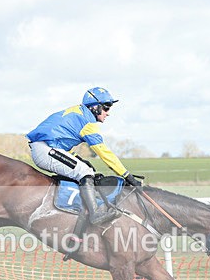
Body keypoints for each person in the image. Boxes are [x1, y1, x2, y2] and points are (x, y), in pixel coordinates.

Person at [26, 87, 142, 225]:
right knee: (85, 172)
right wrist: (126, 175)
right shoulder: (88, 122)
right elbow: (104, 153)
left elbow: (59, 138)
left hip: (47, 147)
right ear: (94, 107)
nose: (108, 113)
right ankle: (95, 214)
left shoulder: (79, 112)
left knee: (87, 169)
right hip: (46, 150)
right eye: (106, 107)